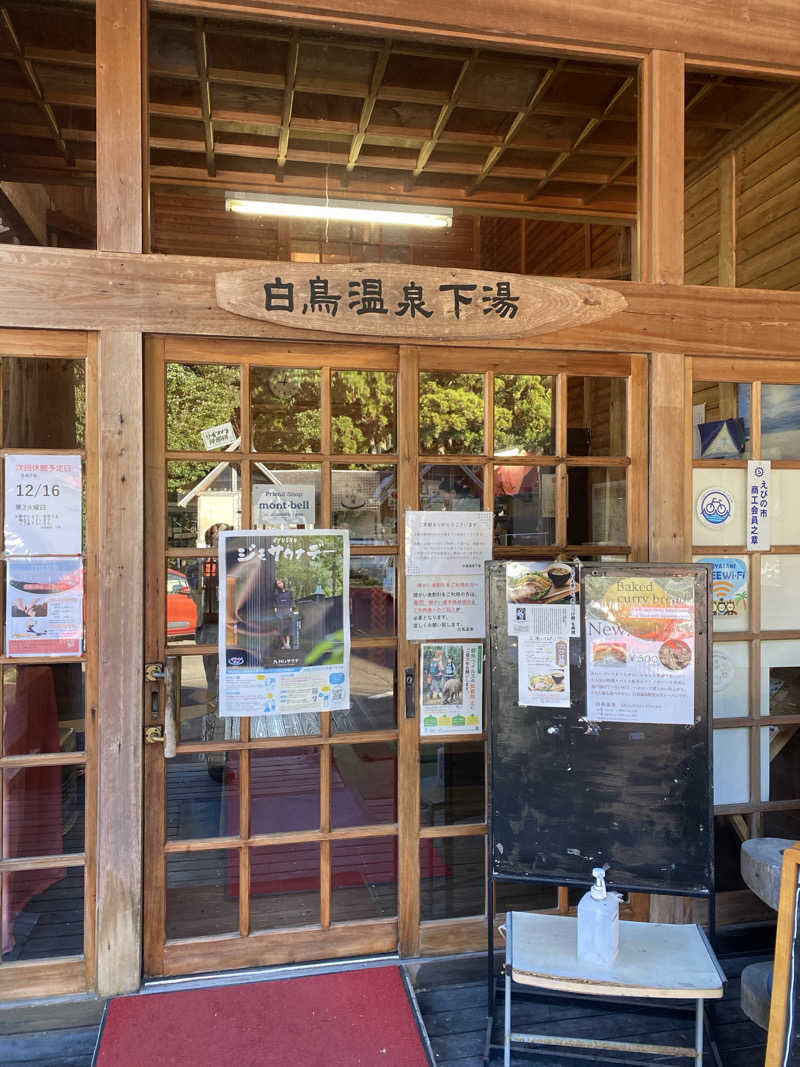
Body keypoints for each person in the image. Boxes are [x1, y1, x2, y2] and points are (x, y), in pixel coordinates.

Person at [274, 577, 295, 649]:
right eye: (277, 584)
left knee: (288, 628)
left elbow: (292, 600)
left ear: (283, 583)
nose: (279, 585)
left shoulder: (290, 592)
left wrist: (291, 608)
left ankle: (288, 644)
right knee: (281, 628)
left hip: (287, 611)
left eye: (280, 583)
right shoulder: (276, 593)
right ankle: (284, 644)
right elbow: (275, 602)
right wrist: (275, 609)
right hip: (280, 612)